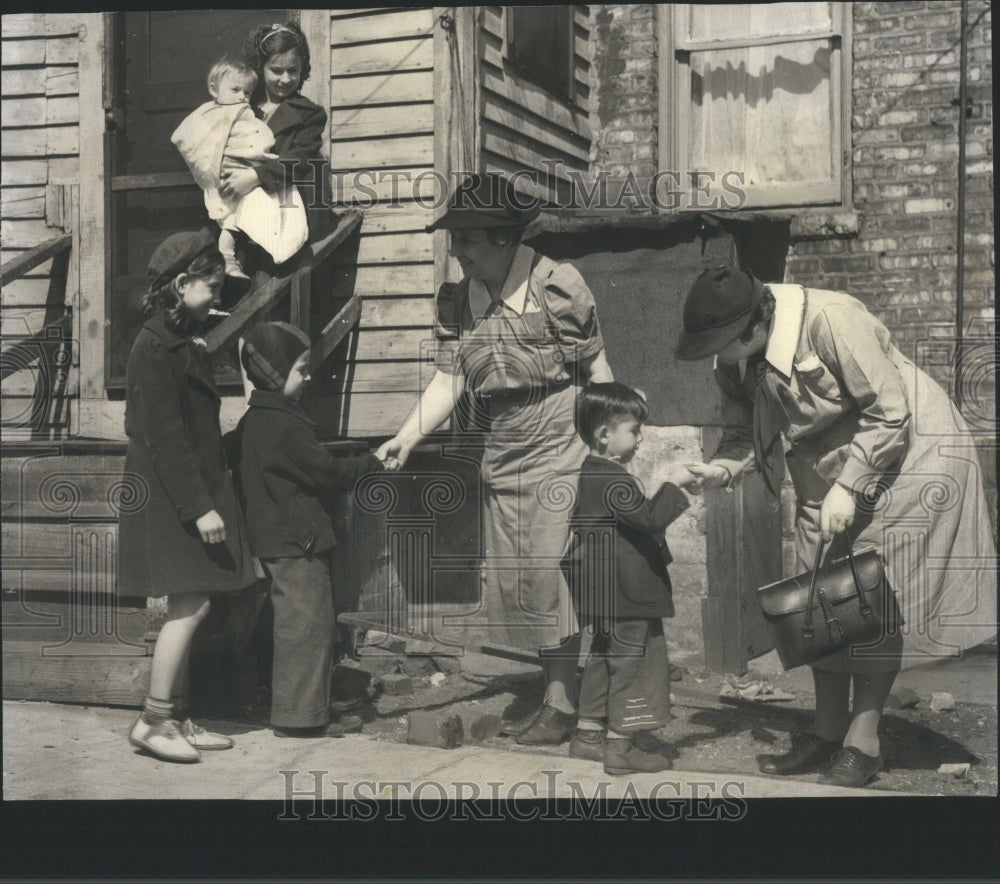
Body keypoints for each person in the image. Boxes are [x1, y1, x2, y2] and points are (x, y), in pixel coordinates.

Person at [677, 266, 998, 787]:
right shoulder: (735, 357)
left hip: (907, 456)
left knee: (870, 597)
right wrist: (721, 467)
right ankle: (825, 732)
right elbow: (743, 427)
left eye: (722, 343)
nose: (717, 355)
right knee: (818, 595)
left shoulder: (832, 319)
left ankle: (862, 742)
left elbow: (891, 413)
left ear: (754, 328)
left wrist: (850, 486)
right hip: (825, 462)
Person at [377, 173, 615, 746]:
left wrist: (613, 452)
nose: (456, 250)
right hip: (501, 448)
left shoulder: (556, 284)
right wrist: (406, 435)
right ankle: (561, 696)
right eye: (453, 239)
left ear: (505, 238)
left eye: (466, 239)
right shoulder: (461, 296)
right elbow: (451, 376)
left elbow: (598, 372)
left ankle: (564, 706)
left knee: (551, 572)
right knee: (520, 584)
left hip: (561, 439)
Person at [120, 229, 258, 763]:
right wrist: (199, 507)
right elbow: (166, 438)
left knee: (194, 600)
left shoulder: (178, 342)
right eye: (212, 286)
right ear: (181, 284)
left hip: (184, 490)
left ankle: (175, 716)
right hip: (169, 493)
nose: (218, 298)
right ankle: (155, 719)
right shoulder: (156, 348)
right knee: (192, 602)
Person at [226, 322, 384, 738]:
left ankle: (305, 709)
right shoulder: (287, 427)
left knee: (298, 624)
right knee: (308, 627)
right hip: (299, 541)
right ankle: (299, 719)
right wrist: (375, 461)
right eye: (302, 369)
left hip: (275, 537)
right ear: (277, 374)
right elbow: (328, 473)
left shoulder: (253, 421)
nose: (309, 376)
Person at [564, 383, 693, 775]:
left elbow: (633, 519)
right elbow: (650, 519)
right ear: (605, 435)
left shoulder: (592, 475)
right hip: (628, 595)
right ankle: (620, 747)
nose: (639, 438)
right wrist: (675, 483)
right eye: (634, 430)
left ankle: (588, 737)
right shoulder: (614, 480)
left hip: (606, 595)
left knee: (603, 658)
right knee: (635, 666)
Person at [171, 57, 308, 279]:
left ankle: (250, 254)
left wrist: (257, 166)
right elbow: (191, 140)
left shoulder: (250, 110)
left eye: (246, 92)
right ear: (213, 89)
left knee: (261, 219)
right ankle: (227, 258)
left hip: (259, 175)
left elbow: (275, 145)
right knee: (231, 222)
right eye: (235, 90)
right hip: (228, 174)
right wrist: (214, 167)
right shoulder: (209, 114)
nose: (241, 97)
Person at [218, 21, 334, 259]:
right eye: (276, 70)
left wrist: (255, 176)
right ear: (261, 68)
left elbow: (300, 160)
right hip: (240, 207)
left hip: (286, 209)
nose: (285, 79)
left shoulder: (309, 113)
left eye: (293, 70)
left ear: (303, 69)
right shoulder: (243, 107)